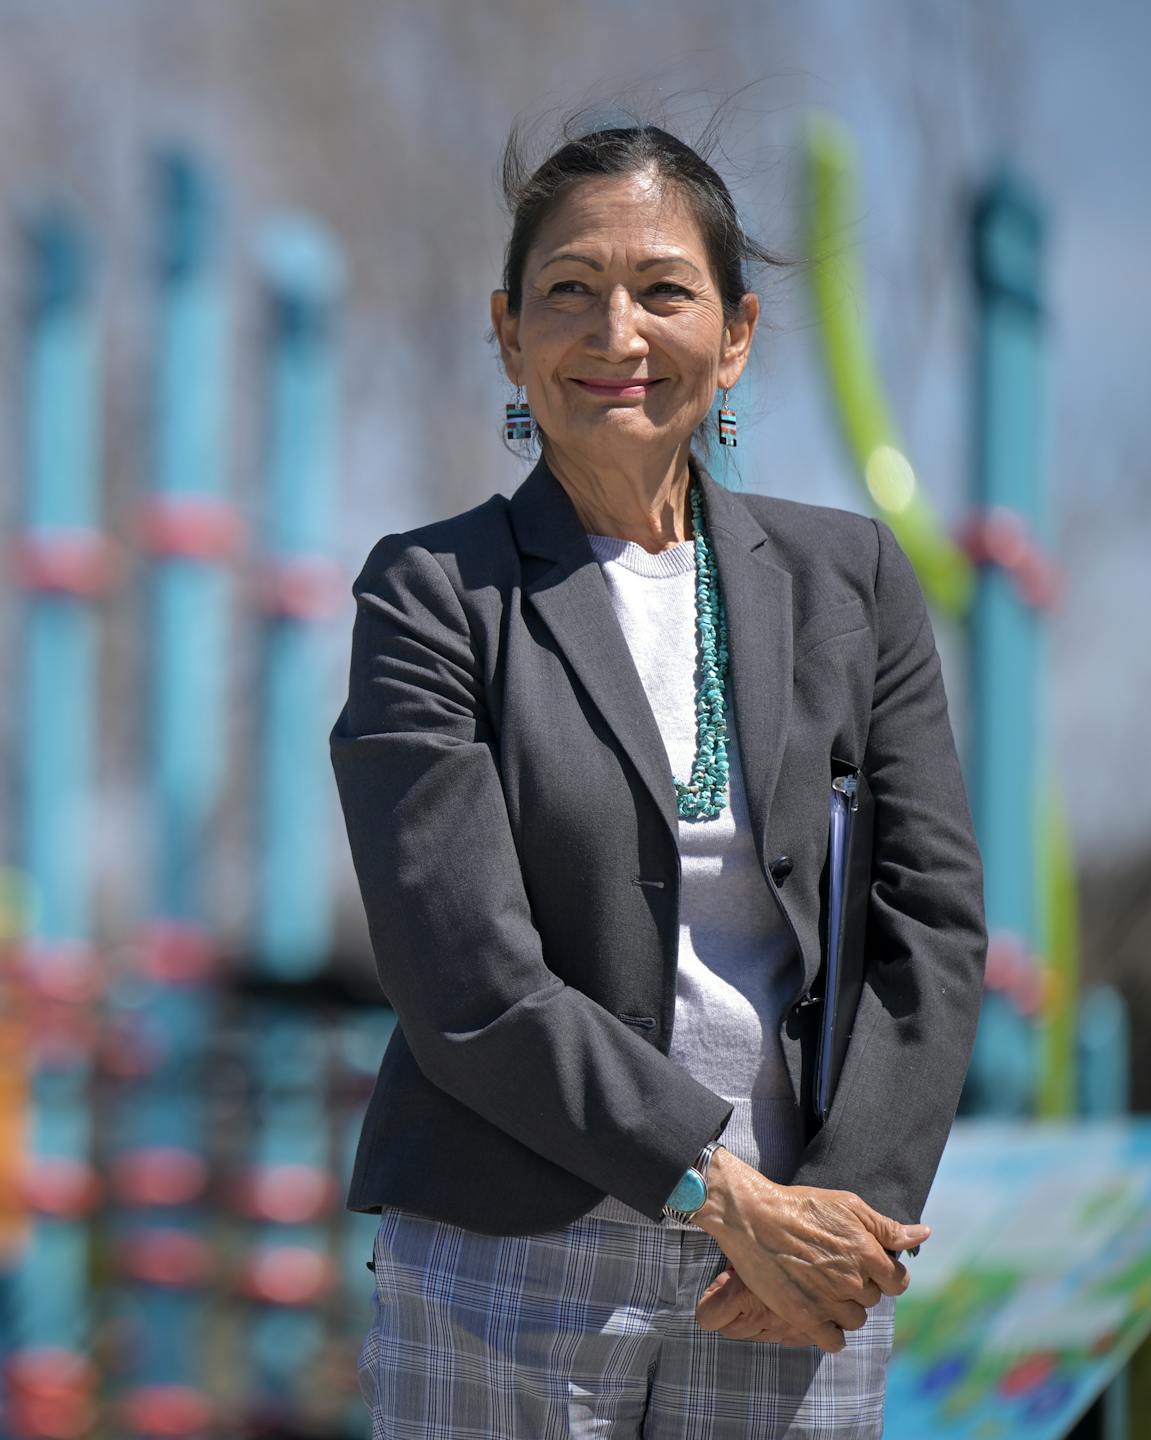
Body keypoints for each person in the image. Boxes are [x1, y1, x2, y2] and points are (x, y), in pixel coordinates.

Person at [330, 118, 987, 1437]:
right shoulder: (433, 594)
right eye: (568, 292)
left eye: (662, 290)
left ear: (735, 335)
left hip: (797, 1258)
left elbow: (934, 922)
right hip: (510, 1254)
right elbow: (466, 973)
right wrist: (716, 1186)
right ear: (510, 336)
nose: (614, 332)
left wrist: (843, 1218)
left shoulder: (849, 581)